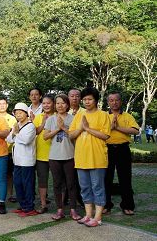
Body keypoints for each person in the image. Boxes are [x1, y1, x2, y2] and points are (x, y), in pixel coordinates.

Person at [69, 87, 110, 227]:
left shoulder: (103, 115)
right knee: (85, 188)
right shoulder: (79, 115)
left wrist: (87, 129)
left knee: (97, 187)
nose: (86, 101)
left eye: (90, 99)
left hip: (97, 158)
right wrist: (81, 128)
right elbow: (71, 135)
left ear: (96, 100)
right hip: (81, 157)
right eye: (84, 99)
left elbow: (105, 136)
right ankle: (88, 215)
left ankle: (97, 218)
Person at [43, 94, 81, 221]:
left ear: (68, 105)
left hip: (70, 155)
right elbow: (45, 136)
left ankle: (73, 210)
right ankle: (60, 210)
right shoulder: (51, 119)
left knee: (71, 184)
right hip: (54, 156)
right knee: (57, 184)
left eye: (63, 103)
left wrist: (64, 127)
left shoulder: (73, 118)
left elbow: (74, 136)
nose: (60, 105)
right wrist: (58, 129)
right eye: (57, 103)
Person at [104, 92, 139, 216]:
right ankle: (106, 205)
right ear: (108, 102)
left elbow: (135, 130)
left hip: (123, 149)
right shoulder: (103, 116)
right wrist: (110, 128)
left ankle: (127, 205)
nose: (114, 103)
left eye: (117, 100)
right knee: (106, 178)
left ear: (121, 101)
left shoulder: (127, 116)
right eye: (111, 100)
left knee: (125, 178)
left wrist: (117, 128)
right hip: (107, 149)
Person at [6, 102, 37, 217]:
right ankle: (23, 205)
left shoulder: (30, 126)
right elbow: (9, 139)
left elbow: (26, 140)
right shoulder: (17, 125)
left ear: (26, 114)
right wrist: (14, 132)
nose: (18, 115)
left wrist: (16, 133)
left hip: (27, 161)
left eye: (20, 112)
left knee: (27, 184)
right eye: (16, 113)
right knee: (18, 183)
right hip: (17, 160)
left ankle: (30, 207)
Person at [33, 94, 55, 214]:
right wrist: (43, 123)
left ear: (53, 104)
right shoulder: (38, 117)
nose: (46, 105)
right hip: (41, 154)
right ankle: (43, 204)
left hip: (56, 154)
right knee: (42, 181)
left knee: (58, 181)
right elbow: (35, 132)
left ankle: (60, 205)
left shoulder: (58, 116)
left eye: (49, 103)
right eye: (44, 103)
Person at [0, 97, 17, 203]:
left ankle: (10, 194)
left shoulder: (12, 118)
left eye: (4, 104)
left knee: (9, 174)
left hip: (8, 150)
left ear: (7, 105)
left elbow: (13, 133)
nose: (2, 106)